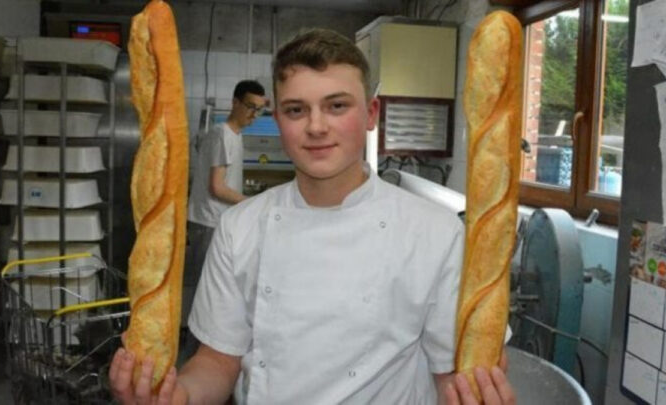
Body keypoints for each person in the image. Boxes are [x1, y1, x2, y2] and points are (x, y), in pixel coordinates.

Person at [111, 28, 515, 405]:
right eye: (296, 110)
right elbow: (218, 362)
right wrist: (175, 396)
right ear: (279, 120)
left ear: (371, 113)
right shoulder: (240, 228)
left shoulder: (437, 234)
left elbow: (450, 376)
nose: (316, 127)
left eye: (337, 106)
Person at [183, 80, 267, 356]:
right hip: (208, 222)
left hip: (216, 222)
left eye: (260, 110)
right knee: (203, 293)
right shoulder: (222, 135)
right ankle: (192, 357)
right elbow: (216, 187)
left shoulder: (233, 134)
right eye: (250, 107)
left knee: (212, 292)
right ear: (234, 102)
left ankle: (201, 353)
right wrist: (254, 203)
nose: (254, 115)